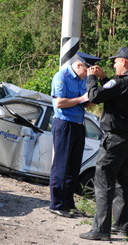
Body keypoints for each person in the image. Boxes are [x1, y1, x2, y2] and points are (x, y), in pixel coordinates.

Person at [80, 47, 128, 241]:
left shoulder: (120, 82)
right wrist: (104, 78)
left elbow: (95, 96)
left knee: (103, 182)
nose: (114, 63)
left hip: (114, 139)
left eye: (115, 61)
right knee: (123, 184)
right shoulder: (120, 83)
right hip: (126, 140)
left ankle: (100, 229)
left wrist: (91, 78)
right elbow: (115, 93)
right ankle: (122, 226)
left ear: (124, 62)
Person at [50, 51, 101, 218]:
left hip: (79, 124)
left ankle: (68, 203)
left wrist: (92, 98)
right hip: (63, 123)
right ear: (79, 65)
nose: (87, 75)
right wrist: (81, 99)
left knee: (74, 167)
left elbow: (85, 104)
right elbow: (59, 102)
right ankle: (56, 204)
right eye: (87, 71)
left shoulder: (83, 78)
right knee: (61, 165)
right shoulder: (62, 76)